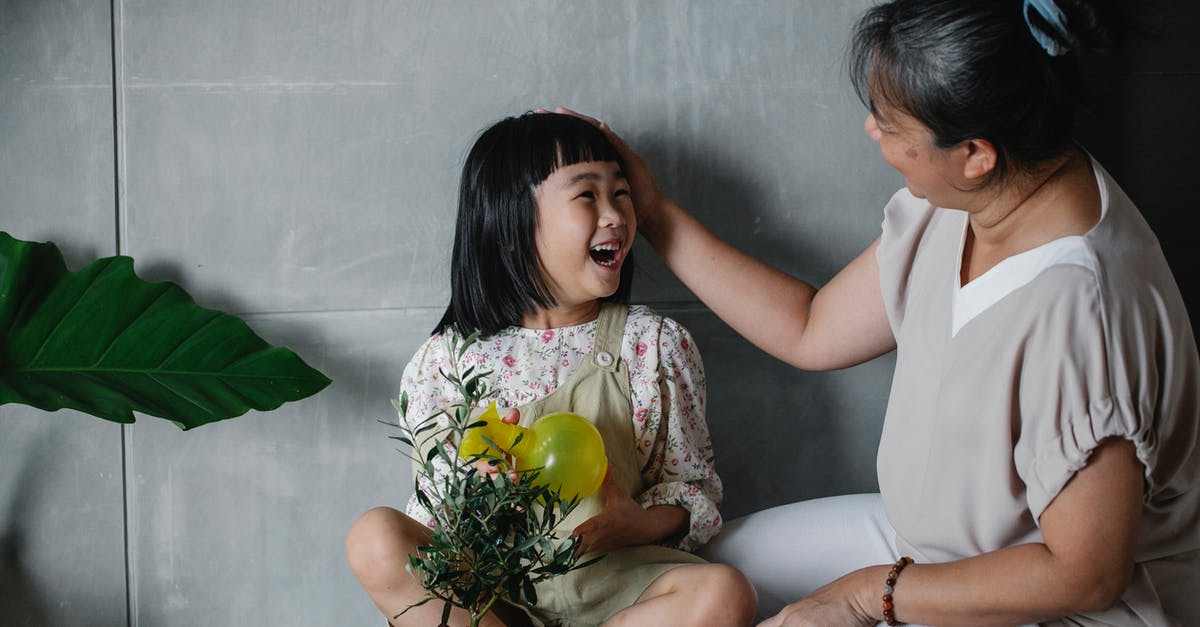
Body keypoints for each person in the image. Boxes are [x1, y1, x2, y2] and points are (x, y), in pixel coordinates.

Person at [561, 0, 1200, 625]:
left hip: (1051, 603)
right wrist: (652, 207)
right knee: (686, 576)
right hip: (928, 548)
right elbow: (811, 329)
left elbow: (1085, 575)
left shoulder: (1079, 312)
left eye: (890, 123)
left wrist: (868, 596)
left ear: (975, 152)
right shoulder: (969, 198)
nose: (873, 131)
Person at [345, 112, 757, 627]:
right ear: (511, 226)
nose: (615, 215)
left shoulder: (653, 344)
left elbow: (692, 489)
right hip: (497, 603)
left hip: (621, 591)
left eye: (622, 193)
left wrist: (640, 524)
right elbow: (433, 514)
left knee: (724, 593)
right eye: (587, 195)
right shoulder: (447, 361)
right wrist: (473, 495)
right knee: (374, 536)